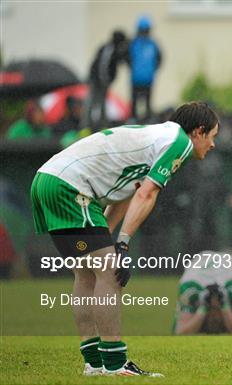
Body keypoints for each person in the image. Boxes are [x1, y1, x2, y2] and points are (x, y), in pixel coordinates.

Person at [30, 102, 219, 377]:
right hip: (69, 186)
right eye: (213, 135)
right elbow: (147, 194)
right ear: (199, 132)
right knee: (109, 272)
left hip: (47, 180)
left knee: (86, 274)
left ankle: (94, 363)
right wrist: (121, 245)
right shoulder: (180, 142)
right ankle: (115, 365)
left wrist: (111, 240)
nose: (213, 144)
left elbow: (128, 192)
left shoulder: (156, 138)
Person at [173, 251, 232, 335]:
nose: (214, 318)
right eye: (211, 311)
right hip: (199, 265)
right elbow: (181, 332)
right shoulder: (190, 290)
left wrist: (224, 306)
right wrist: (203, 309)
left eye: (216, 310)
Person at [83, 30, 129, 130]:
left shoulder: (111, 49)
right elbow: (103, 66)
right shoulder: (109, 49)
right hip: (98, 80)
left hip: (101, 80)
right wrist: (104, 79)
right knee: (93, 102)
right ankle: (86, 126)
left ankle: (101, 124)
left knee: (101, 102)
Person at [129, 16, 162, 122]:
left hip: (141, 78)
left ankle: (140, 120)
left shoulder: (137, 43)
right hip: (142, 78)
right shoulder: (150, 44)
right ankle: (140, 120)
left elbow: (159, 59)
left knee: (142, 103)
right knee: (138, 103)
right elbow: (159, 60)